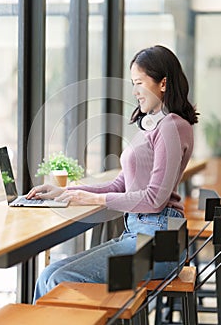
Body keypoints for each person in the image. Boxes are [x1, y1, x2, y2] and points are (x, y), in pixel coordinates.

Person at [27, 45, 199, 303]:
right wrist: (66, 193)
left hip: (157, 240)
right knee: (49, 273)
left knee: (58, 279)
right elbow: (121, 185)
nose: (134, 91)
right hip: (139, 233)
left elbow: (154, 199)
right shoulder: (153, 124)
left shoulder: (172, 126)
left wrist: (93, 199)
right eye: (133, 83)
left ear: (162, 83)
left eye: (139, 83)